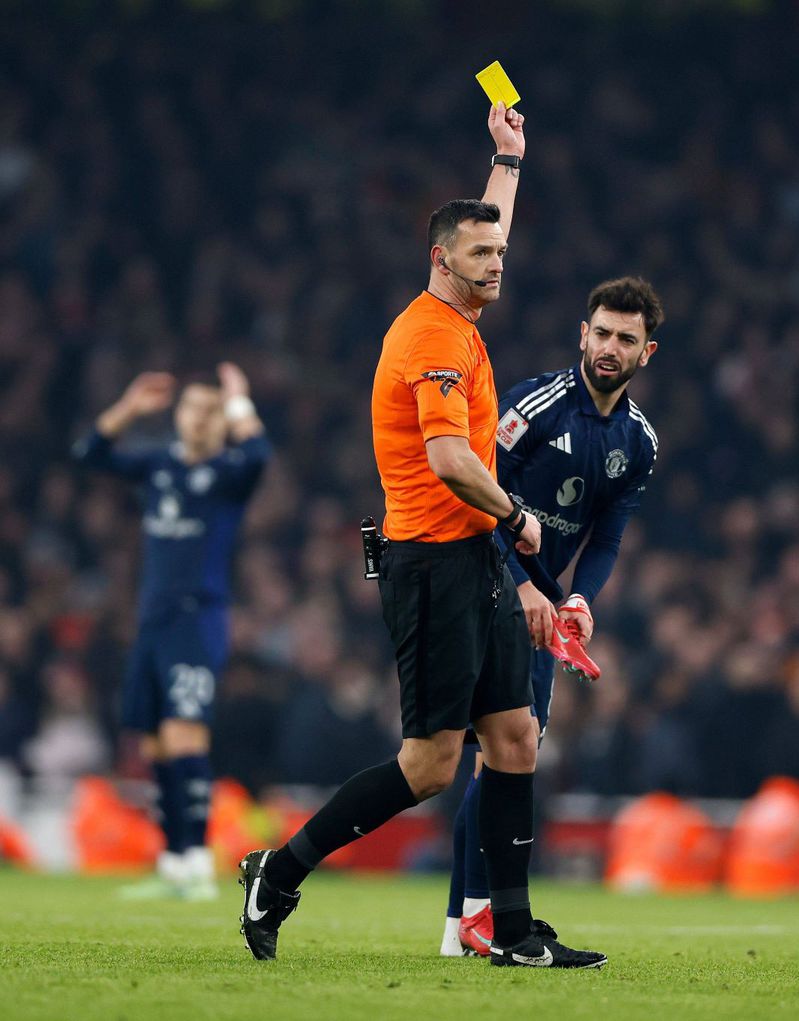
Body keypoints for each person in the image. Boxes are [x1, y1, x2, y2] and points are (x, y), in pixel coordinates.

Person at [237, 103, 606, 969]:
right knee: (433, 764)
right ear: (440, 262)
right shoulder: (431, 339)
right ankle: (278, 870)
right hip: (433, 562)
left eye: (501, 254)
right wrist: (516, 519)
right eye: (482, 257)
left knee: (514, 737)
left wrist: (506, 161)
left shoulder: (461, 311)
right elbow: (447, 458)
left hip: (470, 557)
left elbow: (484, 229)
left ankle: (509, 930)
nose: (498, 265)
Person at [440, 277, 663, 957]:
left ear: (645, 352)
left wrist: (579, 597)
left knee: (509, 757)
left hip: (540, 607)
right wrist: (522, 586)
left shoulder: (640, 442)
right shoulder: (535, 407)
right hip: (484, 582)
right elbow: (475, 497)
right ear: (582, 334)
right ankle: (478, 915)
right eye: (601, 332)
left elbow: (608, 535)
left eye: (626, 338)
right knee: (487, 754)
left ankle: (464, 923)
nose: (609, 346)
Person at [73, 363, 270, 898]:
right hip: (152, 622)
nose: (199, 418)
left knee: (186, 733)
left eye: (210, 410)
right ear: (177, 415)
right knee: (155, 742)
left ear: (221, 420)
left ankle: (198, 860)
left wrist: (238, 401)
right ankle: (174, 860)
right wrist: (131, 408)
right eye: (191, 407)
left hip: (197, 618)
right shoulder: (159, 465)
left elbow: (259, 456)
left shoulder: (229, 474)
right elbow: (89, 453)